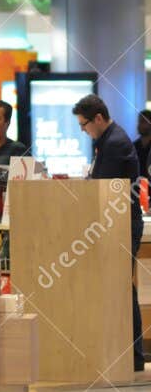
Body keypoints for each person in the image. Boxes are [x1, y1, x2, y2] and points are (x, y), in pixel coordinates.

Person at [73, 93, 145, 371]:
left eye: (84, 124)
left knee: (122, 288)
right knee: (120, 287)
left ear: (98, 118)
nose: (83, 130)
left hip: (121, 227)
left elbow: (104, 189)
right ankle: (128, 354)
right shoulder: (107, 140)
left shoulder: (114, 143)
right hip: (115, 225)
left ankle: (133, 355)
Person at [135, 110, 151, 180]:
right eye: (139, 122)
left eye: (143, 122)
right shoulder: (134, 146)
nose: (139, 125)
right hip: (137, 186)